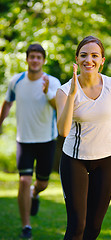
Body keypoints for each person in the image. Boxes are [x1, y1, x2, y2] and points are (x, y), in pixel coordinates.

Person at [56, 36, 111, 240]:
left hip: (107, 160)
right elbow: (63, 131)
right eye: (83, 55)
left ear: (102, 60)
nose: (88, 60)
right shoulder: (64, 91)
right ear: (76, 59)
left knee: (93, 227)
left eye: (94, 55)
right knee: (77, 227)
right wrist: (73, 94)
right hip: (75, 160)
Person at [0, 44, 61, 239]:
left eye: (38, 57)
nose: (35, 60)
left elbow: (59, 106)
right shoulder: (16, 81)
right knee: (24, 180)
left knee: (42, 183)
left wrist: (47, 93)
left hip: (46, 140)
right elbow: (8, 102)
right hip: (24, 140)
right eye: (32, 57)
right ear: (26, 59)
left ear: (43, 60)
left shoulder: (52, 82)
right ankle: (26, 226)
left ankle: (35, 193)